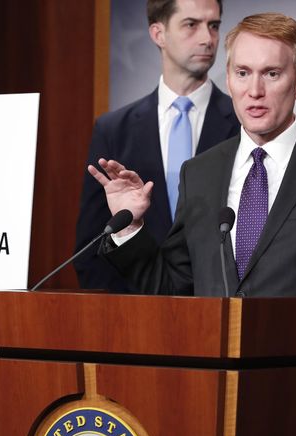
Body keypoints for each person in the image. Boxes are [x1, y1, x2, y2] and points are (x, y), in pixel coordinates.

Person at [89, 12, 296, 329]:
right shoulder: (200, 173)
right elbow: (174, 291)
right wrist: (129, 228)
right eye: (242, 73)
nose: (254, 91)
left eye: (271, 73)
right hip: (210, 379)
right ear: (229, 79)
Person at [73, 0, 240, 292]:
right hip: (132, 318)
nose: (207, 38)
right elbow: (92, 246)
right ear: (158, 33)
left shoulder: (244, 125)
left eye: (213, 26)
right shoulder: (113, 129)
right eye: (191, 25)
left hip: (219, 310)